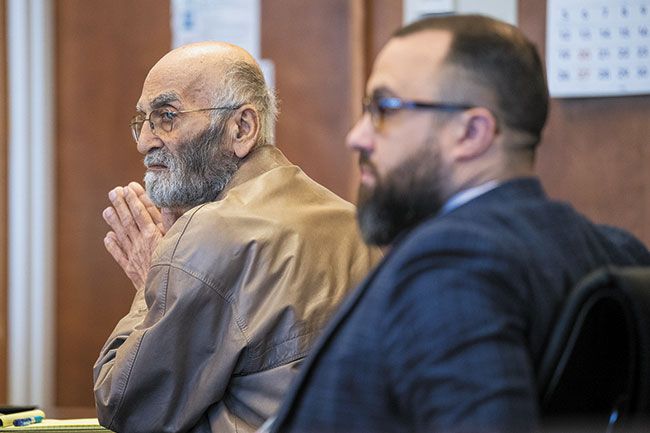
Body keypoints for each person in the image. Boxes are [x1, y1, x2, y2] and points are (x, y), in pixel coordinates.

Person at [261, 14, 650, 433]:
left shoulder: (451, 263)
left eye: (384, 108)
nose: (357, 136)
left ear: (472, 133)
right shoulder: (616, 249)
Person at [92, 42, 381, 433]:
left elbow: (126, 407)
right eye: (142, 121)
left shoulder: (208, 232)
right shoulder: (357, 224)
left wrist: (149, 284)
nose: (145, 141)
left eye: (167, 117)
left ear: (242, 128)